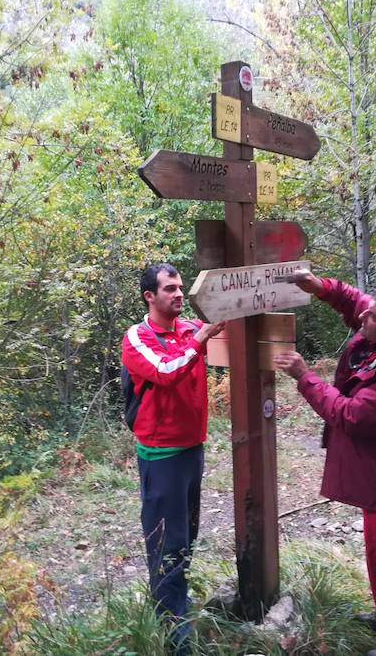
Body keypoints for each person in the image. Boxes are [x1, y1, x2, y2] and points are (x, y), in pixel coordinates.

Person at [273, 270, 376, 656]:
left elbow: (349, 415)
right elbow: (356, 302)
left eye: (373, 318)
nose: (364, 317)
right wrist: (322, 287)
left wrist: (304, 376)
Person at [121, 263, 225, 652]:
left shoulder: (183, 330)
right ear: (150, 295)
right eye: (169, 289)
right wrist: (200, 337)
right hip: (161, 452)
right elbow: (165, 370)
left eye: (181, 287)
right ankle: (172, 631)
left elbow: (218, 333)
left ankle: (174, 606)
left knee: (186, 536)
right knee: (168, 543)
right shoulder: (138, 336)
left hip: (192, 447)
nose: (179, 294)